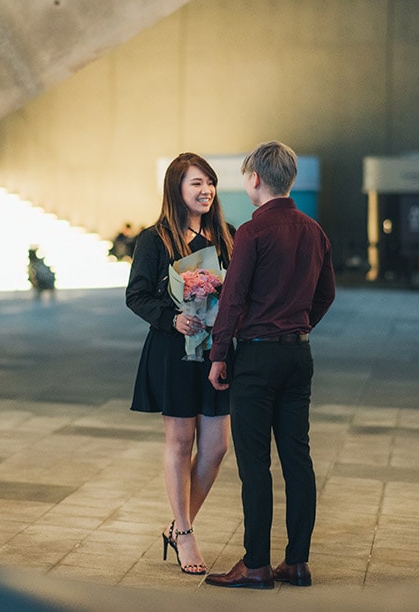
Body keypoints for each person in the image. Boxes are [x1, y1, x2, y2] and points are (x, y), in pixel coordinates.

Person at [204, 141, 336, 590]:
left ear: (254, 180)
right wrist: (299, 327)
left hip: (257, 356)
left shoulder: (252, 233)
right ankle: (296, 562)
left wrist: (219, 353)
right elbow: (326, 295)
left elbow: (234, 297)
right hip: (298, 355)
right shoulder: (314, 231)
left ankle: (256, 564)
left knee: (255, 464)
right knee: (298, 458)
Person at [125, 152, 235, 576]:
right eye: (196, 183)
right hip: (174, 350)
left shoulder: (229, 236)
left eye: (209, 182)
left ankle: (175, 526)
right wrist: (173, 319)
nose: (206, 189)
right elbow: (137, 296)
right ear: (176, 189)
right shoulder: (156, 240)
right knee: (180, 441)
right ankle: (186, 533)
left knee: (217, 447)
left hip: (217, 352)